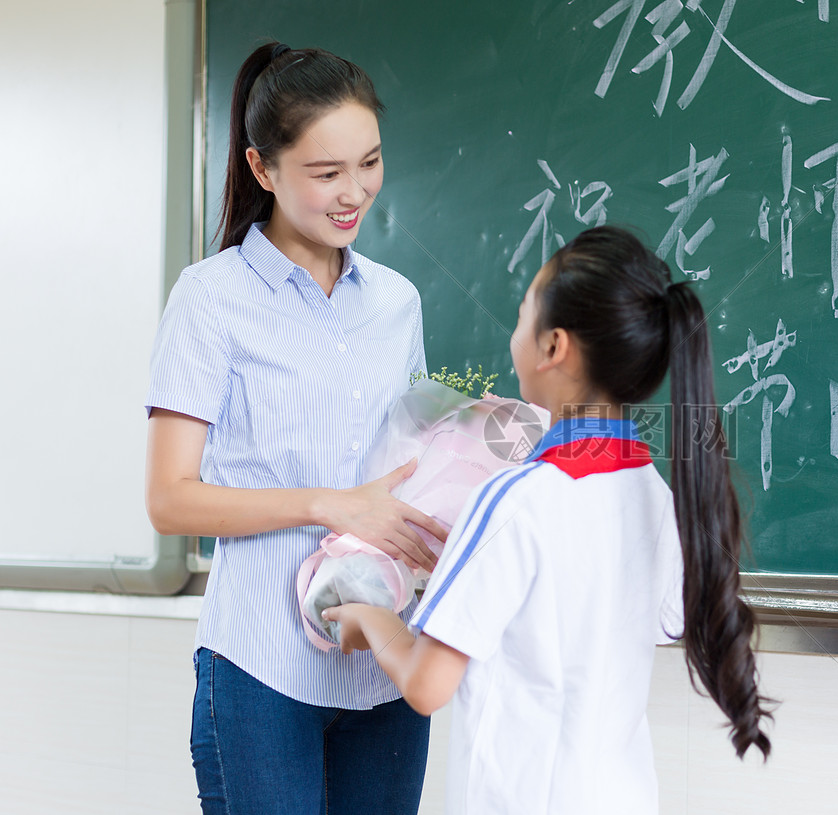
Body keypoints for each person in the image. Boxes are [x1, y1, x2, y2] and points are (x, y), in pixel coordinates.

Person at [325, 225, 773, 814]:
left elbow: (427, 685)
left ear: (554, 346)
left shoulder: (511, 497)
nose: (513, 336)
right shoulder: (658, 497)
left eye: (520, 317)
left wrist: (368, 617)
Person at [144, 42, 445, 814]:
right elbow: (170, 501)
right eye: (326, 173)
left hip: (383, 656)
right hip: (260, 666)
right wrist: (329, 502)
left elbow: (410, 461)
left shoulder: (397, 302)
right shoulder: (209, 299)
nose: (355, 193)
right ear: (262, 167)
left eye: (370, 163)